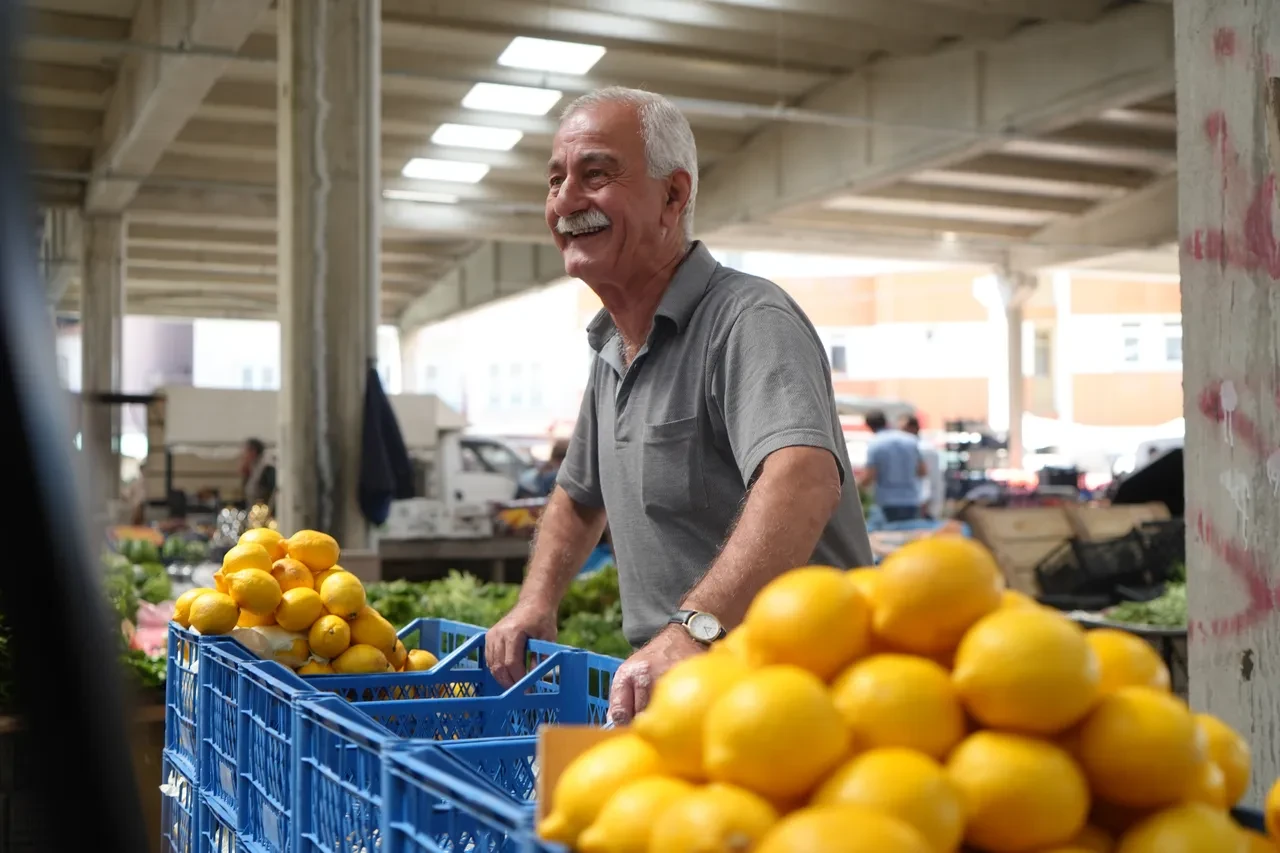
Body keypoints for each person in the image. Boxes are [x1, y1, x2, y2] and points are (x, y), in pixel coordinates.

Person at [484, 87, 873, 724]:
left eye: (596, 174)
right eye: (555, 180)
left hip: (801, 695)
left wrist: (696, 631)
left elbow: (803, 476)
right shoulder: (612, 347)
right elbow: (579, 494)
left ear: (673, 195)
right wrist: (536, 600)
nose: (566, 201)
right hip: (687, 693)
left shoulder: (748, 319)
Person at [857, 410, 926, 522]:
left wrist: (855, 488)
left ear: (869, 426)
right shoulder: (911, 440)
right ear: (886, 422)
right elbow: (923, 471)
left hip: (887, 503)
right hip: (911, 500)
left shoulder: (875, 444)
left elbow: (869, 477)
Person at [902, 414, 945, 520]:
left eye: (902, 430)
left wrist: (929, 506)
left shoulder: (924, 449)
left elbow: (931, 480)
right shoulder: (914, 448)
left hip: (922, 507)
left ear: (912, 428)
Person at [239, 437, 276, 511]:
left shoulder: (267, 467)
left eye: (245, 452)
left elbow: (272, 494)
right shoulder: (253, 466)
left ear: (253, 452)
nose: (243, 455)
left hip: (265, 512)